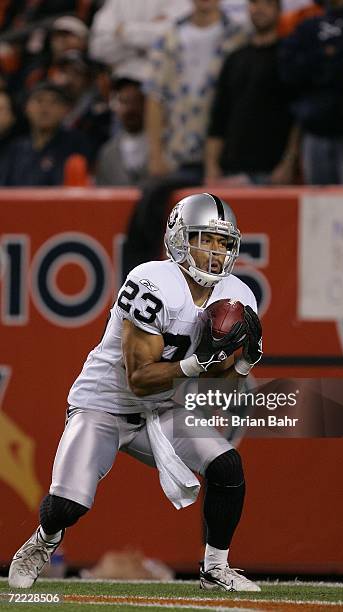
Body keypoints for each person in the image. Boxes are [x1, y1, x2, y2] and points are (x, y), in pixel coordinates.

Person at [8, 192, 263, 592]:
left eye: (224, 241)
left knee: (227, 466)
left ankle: (216, 569)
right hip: (103, 405)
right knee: (68, 506)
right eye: (206, 238)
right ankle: (46, 537)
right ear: (179, 239)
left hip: (161, 410)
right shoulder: (152, 281)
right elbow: (138, 377)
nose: (217, 251)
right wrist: (199, 362)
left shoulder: (238, 296)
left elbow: (220, 389)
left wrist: (242, 364)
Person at [122, 0, 246, 274]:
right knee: (153, 206)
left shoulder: (238, 35)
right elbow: (155, 97)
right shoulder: (170, 36)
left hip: (227, 153)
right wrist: (155, 154)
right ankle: (141, 283)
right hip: (178, 154)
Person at [205, 0, 298, 186]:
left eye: (267, 4)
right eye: (254, 3)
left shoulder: (289, 56)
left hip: (271, 172)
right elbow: (219, 117)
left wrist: (288, 162)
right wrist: (211, 166)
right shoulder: (234, 58)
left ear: (279, 10)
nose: (259, 9)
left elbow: (298, 116)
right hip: (230, 171)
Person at [278, 0, 343, 185]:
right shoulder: (308, 24)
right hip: (314, 130)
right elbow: (287, 71)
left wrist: (321, 61)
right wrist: (325, 56)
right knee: (317, 206)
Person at [2, 82, 92, 186]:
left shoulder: (77, 144)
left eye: (54, 102)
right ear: (26, 108)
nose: (45, 108)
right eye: (39, 100)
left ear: (65, 110)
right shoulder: (15, 149)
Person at [95, 78, 148, 186]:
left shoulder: (162, 149)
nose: (130, 109)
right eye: (124, 102)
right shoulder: (108, 153)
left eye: (136, 101)